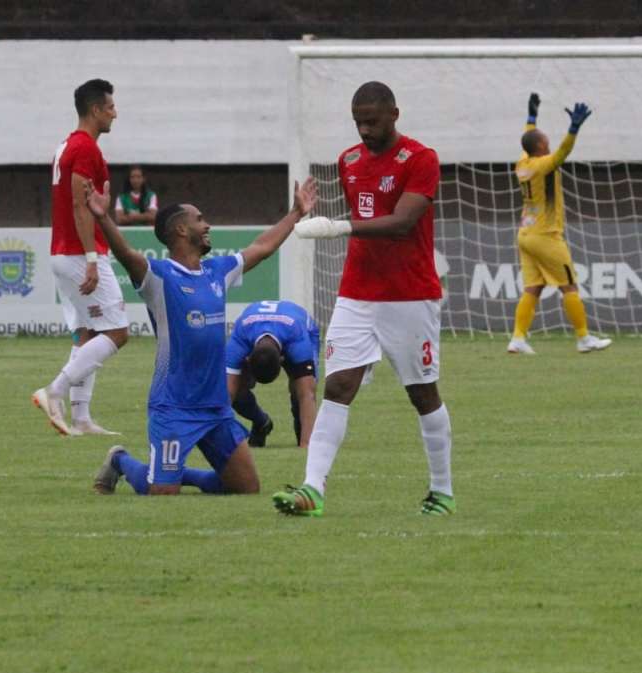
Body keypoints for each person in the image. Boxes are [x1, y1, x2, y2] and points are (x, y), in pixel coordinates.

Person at [271, 81, 454, 517]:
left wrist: (340, 227)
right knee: (338, 386)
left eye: (372, 121)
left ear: (394, 113)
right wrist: (345, 226)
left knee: (422, 393)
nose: (364, 130)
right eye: (358, 122)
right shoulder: (348, 161)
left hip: (409, 296)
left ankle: (442, 491)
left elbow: (402, 223)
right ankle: (312, 490)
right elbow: (366, 218)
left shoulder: (421, 159)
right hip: (357, 293)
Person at [88, 176, 318, 496]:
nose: (207, 224)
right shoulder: (159, 277)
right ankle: (121, 460)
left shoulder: (216, 272)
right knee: (161, 493)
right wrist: (102, 217)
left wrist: (296, 213)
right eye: (200, 219)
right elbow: (127, 255)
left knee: (245, 487)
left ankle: (177, 475)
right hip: (174, 407)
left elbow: (262, 247)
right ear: (181, 230)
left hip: (215, 407)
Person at [33, 78, 126, 436]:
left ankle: (82, 418)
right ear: (95, 110)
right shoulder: (85, 148)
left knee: (88, 333)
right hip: (77, 253)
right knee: (117, 332)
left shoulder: (67, 145)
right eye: (110, 107)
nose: (115, 113)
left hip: (63, 251)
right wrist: (90, 256)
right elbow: (79, 203)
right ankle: (53, 391)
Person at [507, 92, 612, 355]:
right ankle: (583, 338)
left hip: (525, 234)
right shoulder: (544, 165)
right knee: (569, 285)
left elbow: (527, 138)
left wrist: (531, 116)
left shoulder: (523, 162)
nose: (549, 142)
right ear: (541, 147)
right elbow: (564, 151)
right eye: (545, 139)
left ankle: (518, 338)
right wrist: (574, 129)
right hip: (546, 235)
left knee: (534, 286)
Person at [226, 300, 320, 448]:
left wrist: (306, 446)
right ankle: (261, 422)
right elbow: (226, 397)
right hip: (261, 329)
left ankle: (302, 436)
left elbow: (308, 395)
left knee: (301, 391)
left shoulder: (298, 340)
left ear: (284, 359)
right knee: (235, 389)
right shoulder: (240, 337)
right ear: (247, 357)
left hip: (301, 330)